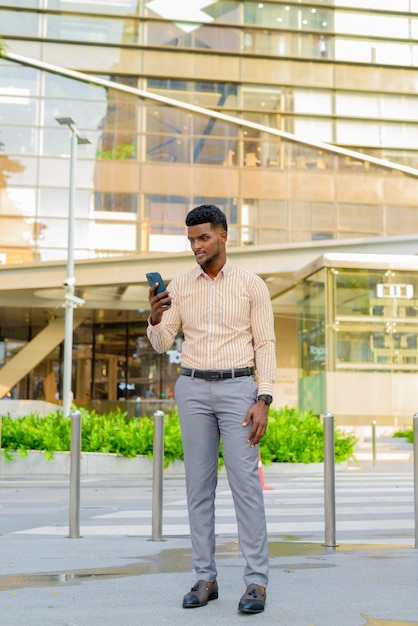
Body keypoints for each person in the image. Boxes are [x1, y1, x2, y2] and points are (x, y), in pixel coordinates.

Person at [147, 204, 276, 614]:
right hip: (193, 389)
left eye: (203, 238)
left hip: (240, 389)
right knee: (198, 490)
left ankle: (256, 582)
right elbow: (163, 342)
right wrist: (154, 316)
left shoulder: (252, 285)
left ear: (223, 235)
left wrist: (264, 398)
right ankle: (206, 578)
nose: (196, 247)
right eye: (191, 241)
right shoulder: (181, 285)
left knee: (246, 489)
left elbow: (266, 345)